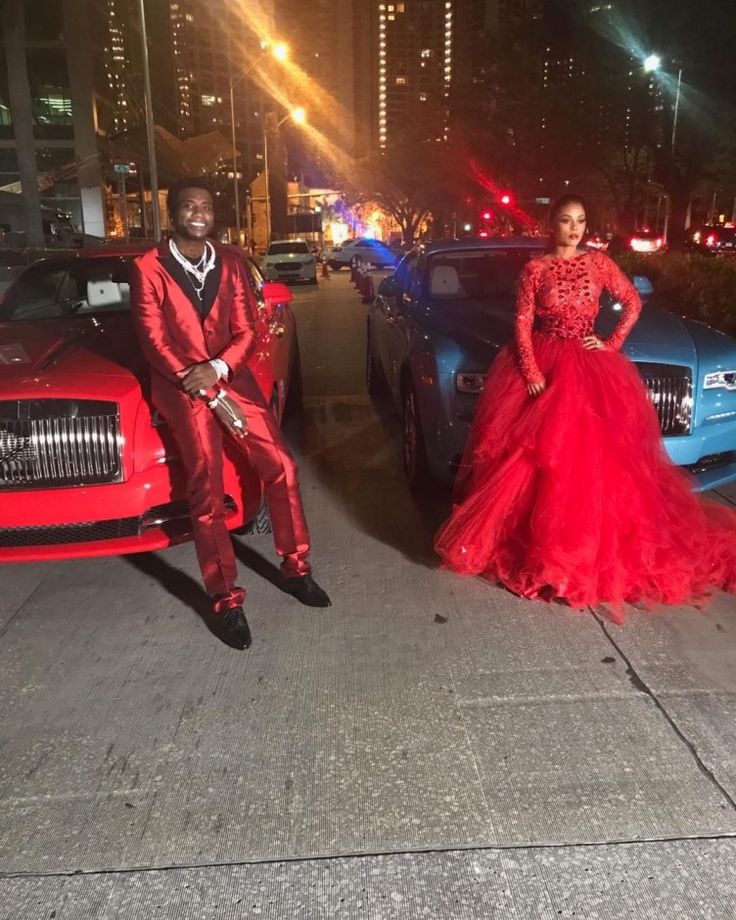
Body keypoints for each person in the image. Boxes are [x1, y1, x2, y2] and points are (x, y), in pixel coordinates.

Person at [435, 193, 736, 620]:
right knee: (539, 463)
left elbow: (632, 302)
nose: (574, 229)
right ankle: (550, 557)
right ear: (550, 225)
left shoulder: (598, 263)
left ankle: (586, 552)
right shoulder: (534, 270)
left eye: (580, 221)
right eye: (565, 220)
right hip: (546, 364)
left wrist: (611, 343)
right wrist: (534, 372)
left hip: (590, 367)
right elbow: (521, 325)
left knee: (596, 464)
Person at [130, 178, 330, 648]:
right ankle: (226, 600)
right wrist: (193, 375)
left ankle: (296, 568)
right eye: (188, 205)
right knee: (207, 488)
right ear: (172, 213)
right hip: (180, 386)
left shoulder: (233, 262)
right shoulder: (147, 268)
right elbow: (151, 337)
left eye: (204, 206)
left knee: (281, 466)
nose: (197, 213)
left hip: (228, 377)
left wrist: (217, 368)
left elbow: (247, 327)